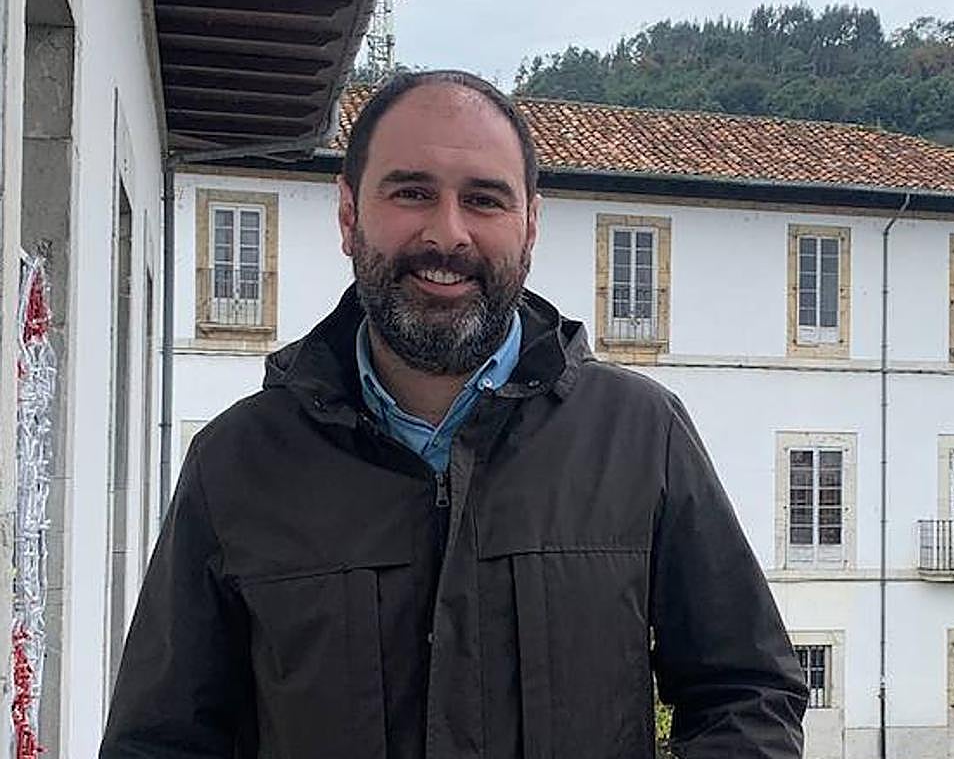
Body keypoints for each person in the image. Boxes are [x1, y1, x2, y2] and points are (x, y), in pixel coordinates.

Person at [100, 70, 808, 758]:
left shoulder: (640, 436)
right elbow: (159, 739)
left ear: (530, 225)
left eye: (485, 200)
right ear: (349, 215)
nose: (449, 234)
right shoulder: (237, 463)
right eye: (412, 192)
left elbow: (747, 692)